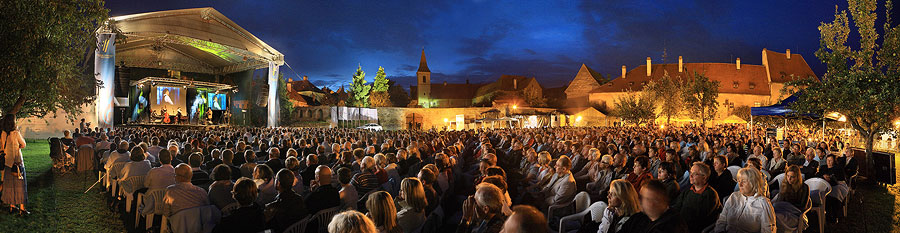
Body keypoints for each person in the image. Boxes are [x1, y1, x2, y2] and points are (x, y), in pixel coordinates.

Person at [714, 167, 776, 233]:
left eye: (743, 181)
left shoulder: (763, 203)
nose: (740, 185)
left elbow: (768, 230)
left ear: (753, 183)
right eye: (739, 181)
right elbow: (722, 219)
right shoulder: (734, 196)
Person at [620, 180, 689, 233]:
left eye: (644, 198)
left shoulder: (673, 226)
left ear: (657, 201)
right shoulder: (639, 217)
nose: (639, 200)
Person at [672, 162, 721, 233]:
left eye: (694, 174)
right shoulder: (688, 191)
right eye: (690, 172)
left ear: (704, 177)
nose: (690, 176)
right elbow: (677, 207)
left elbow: (700, 219)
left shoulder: (710, 194)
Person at [1, 115, 29, 216]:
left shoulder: (3, 134)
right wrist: (18, 147)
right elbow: (24, 144)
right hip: (17, 163)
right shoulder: (16, 133)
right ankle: (22, 209)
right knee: (20, 186)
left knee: (10, 186)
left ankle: (12, 207)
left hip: (8, 163)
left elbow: (2, 147)